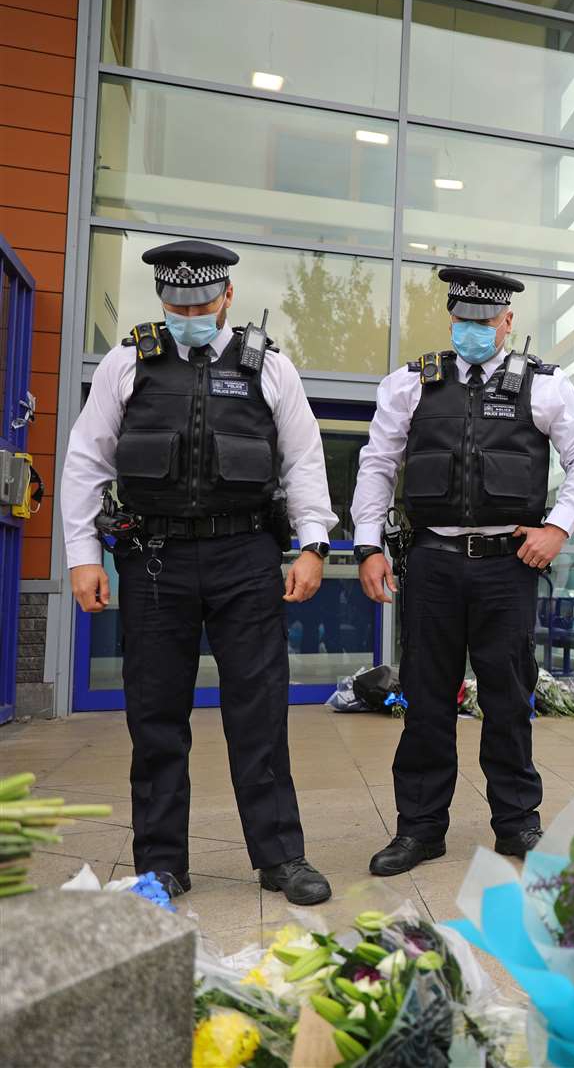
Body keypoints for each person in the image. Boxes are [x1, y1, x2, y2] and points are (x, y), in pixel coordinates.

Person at [59, 240, 336, 905]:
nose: (188, 312)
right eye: (176, 303)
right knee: (155, 716)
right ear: (163, 300)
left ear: (227, 299)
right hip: (155, 559)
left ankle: (280, 859)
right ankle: (162, 865)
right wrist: (81, 558)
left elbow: (303, 461)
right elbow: (85, 462)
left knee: (260, 711)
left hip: (245, 557)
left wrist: (314, 544)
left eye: (201, 302)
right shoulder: (128, 364)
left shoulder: (270, 368)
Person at [353, 268, 574, 876]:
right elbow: (378, 463)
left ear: (507, 322)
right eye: (463, 322)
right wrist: (367, 546)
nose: (473, 332)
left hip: (506, 565)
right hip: (433, 561)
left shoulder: (545, 387)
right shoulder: (410, 384)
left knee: (509, 697)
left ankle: (517, 824)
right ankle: (419, 829)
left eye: (485, 323)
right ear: (451, 321)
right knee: (427, 701)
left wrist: (558, 528)